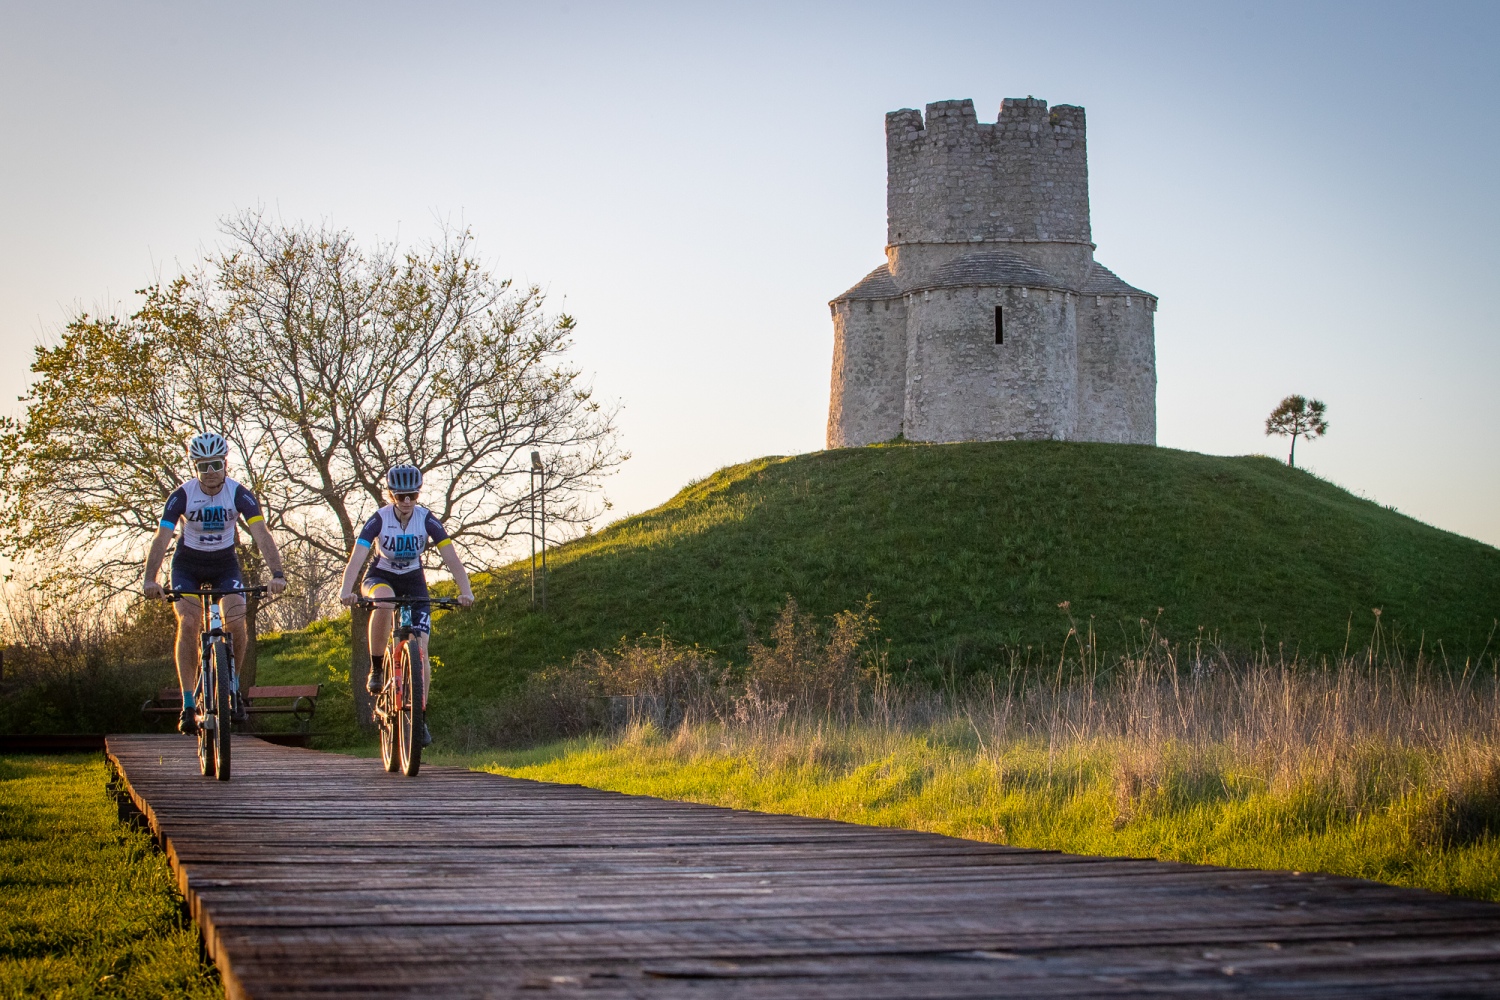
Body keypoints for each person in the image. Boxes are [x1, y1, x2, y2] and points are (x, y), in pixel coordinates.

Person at [143, 432, 288, 733]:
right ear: (196, 467)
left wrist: (277, 574)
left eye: (216, 465)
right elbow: (162, 537)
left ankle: (231, 686)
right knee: (189, 621)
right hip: (187, 565)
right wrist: (149, 579)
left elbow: (261, 534)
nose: (210, 473)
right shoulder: (182, 495)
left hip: (224, 564)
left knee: (237, 619)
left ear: (225, 464)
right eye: (203, 466)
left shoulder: (239, 494)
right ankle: (186, 703)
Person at [339, 464, 474, 746]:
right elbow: (357, 558)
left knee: (421, 650)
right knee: (385, 602)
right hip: (380, 576)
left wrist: (466, 592)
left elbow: (452, 559)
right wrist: (346, 590)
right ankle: (377, 669)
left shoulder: (427, 520)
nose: (407, 502)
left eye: (412, 495)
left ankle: (420, 717)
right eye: (401, 497)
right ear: (391, 495)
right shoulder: (379, 519)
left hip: (413, 581)